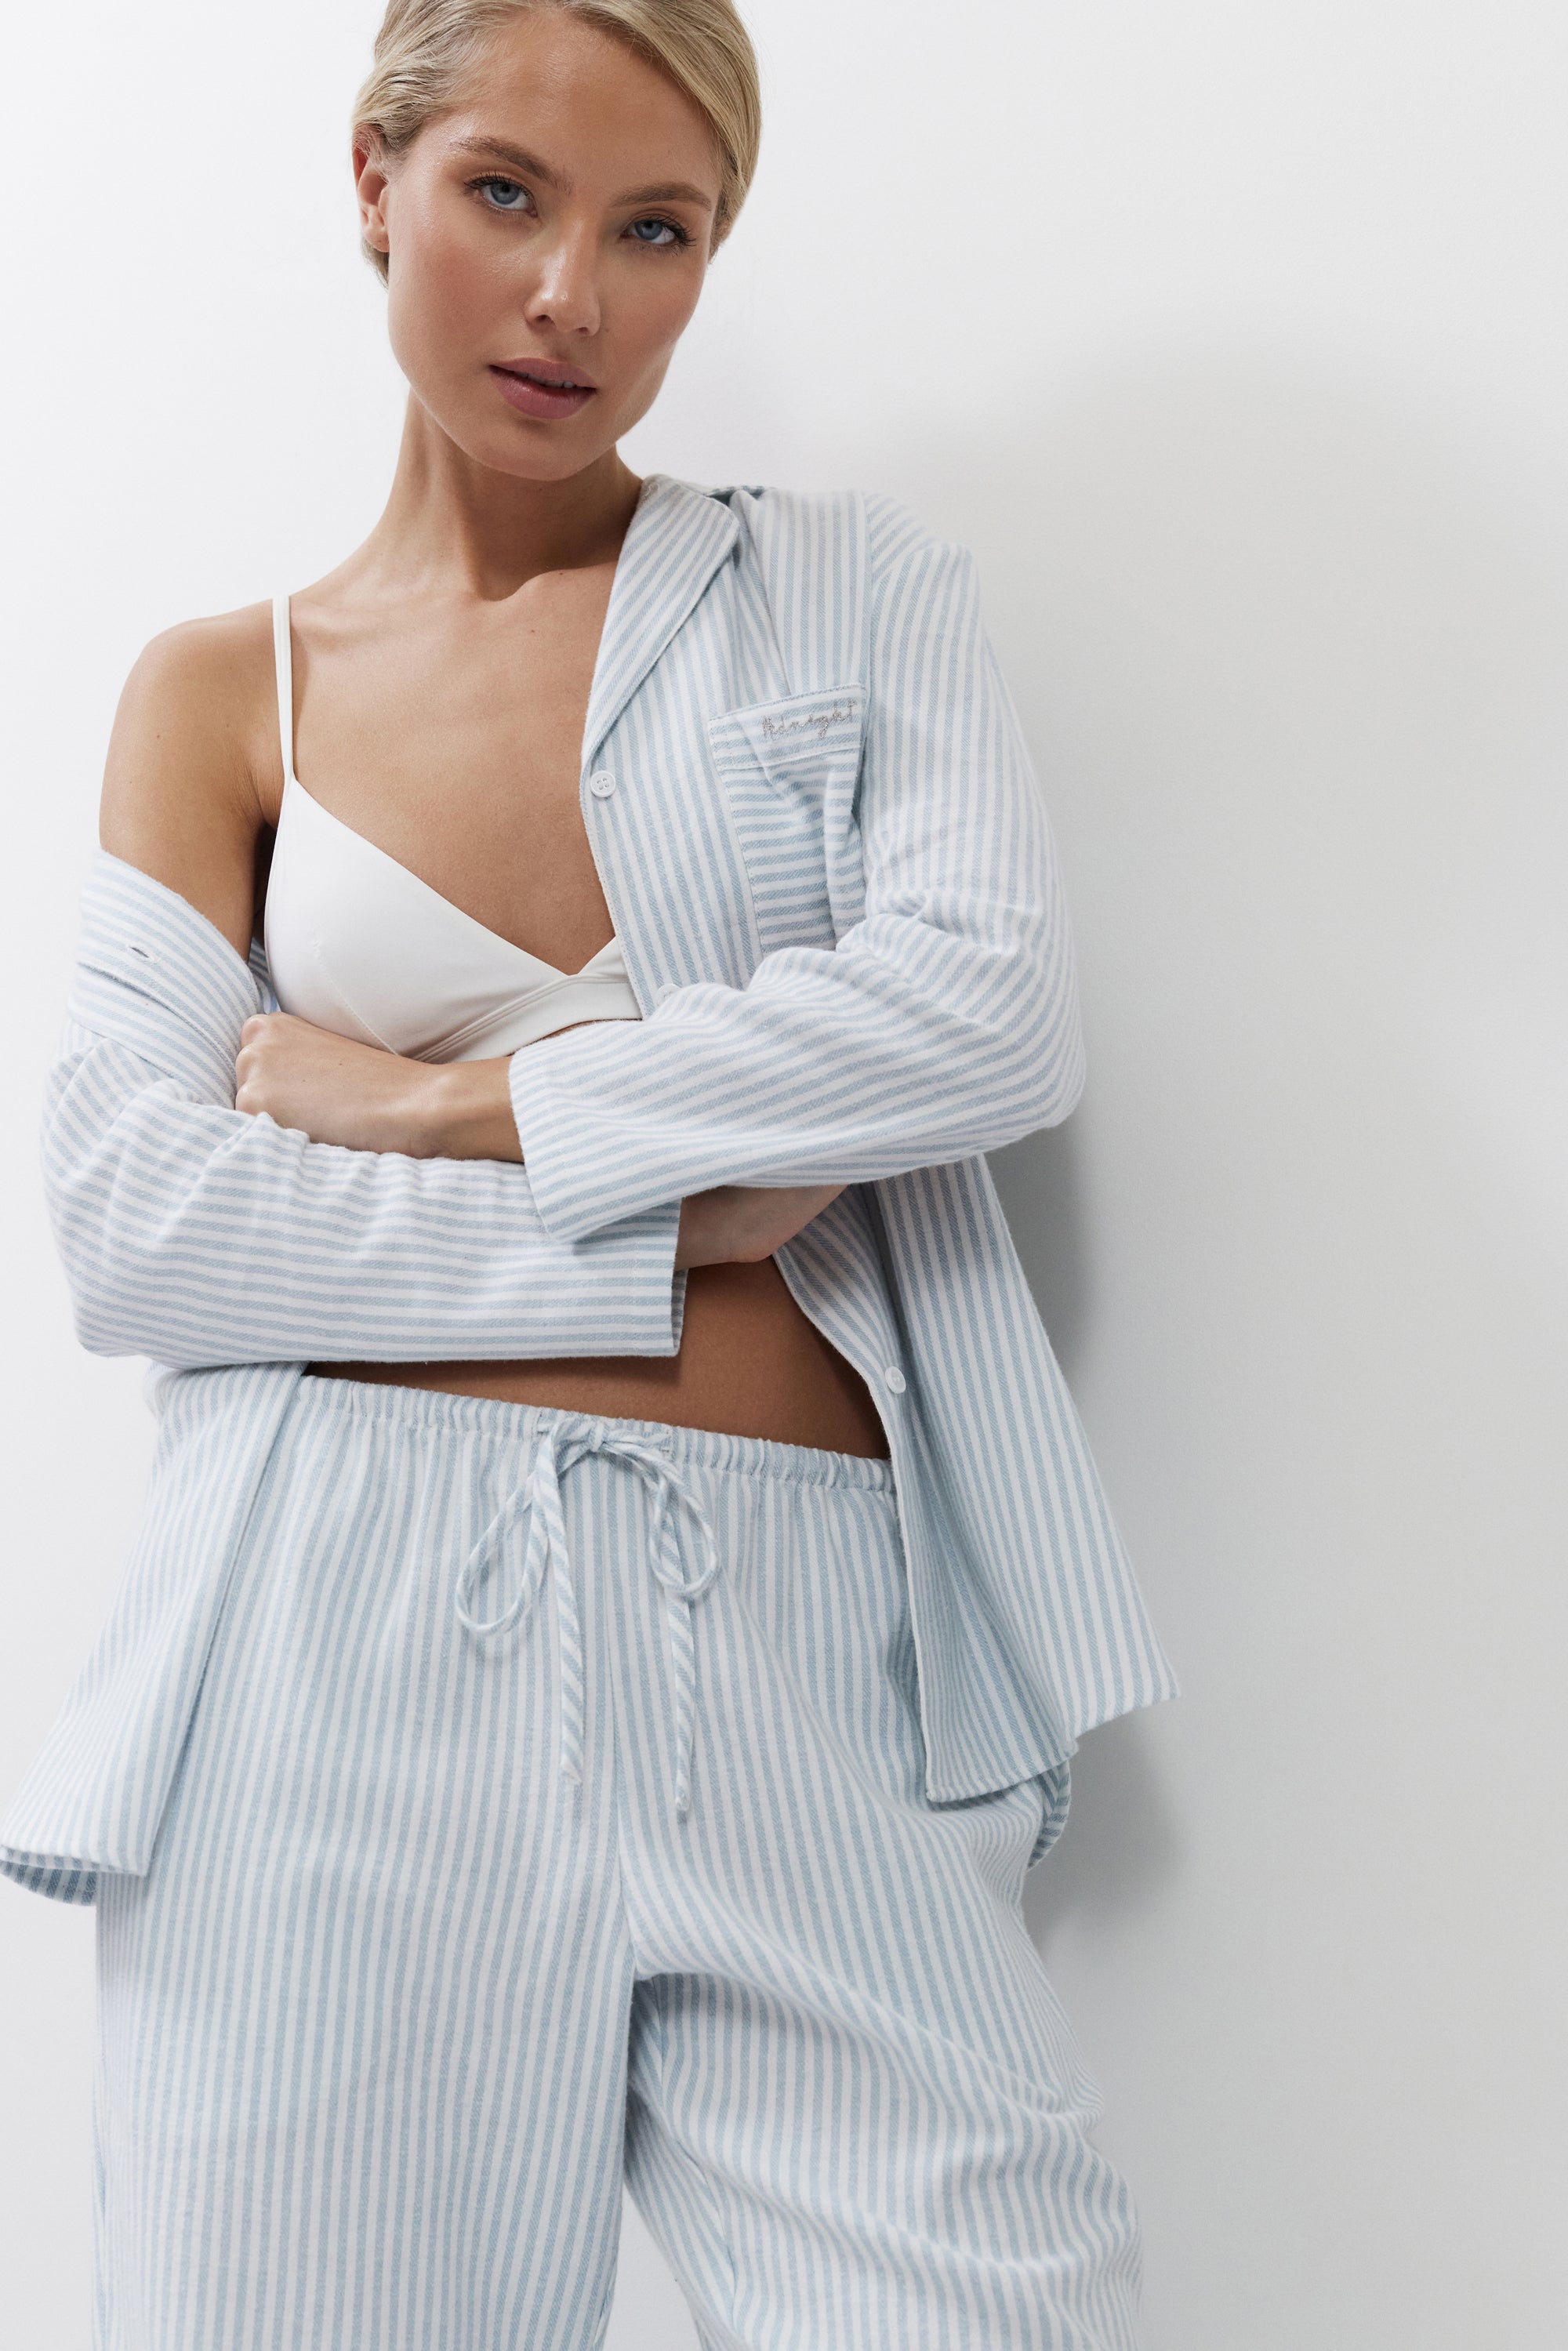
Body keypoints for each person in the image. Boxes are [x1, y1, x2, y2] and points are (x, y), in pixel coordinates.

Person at [0, 2, 1176, 2343]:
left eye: (660, 230)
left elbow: (986, 1013)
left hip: (800, 1653)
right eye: (508, 197)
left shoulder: (847, 599)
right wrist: (669, 1224)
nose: (575, 301)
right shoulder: (226, 695)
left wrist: (465, 1101)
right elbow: (145, 1225)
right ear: (375, 183)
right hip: (330, 1639)